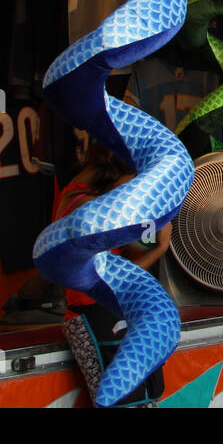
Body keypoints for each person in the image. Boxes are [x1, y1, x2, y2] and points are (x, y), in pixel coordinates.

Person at [54, 143, 172, 407]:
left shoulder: (89, 195)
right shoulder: (86, 209)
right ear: (115, 174)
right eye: (133, 185)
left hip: (114, 315)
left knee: (145, 399)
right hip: (94, 316)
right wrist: (160, 247)